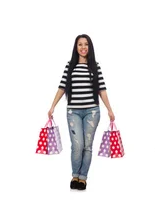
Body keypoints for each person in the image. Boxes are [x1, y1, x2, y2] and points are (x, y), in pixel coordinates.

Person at [47, 34, 116, 190]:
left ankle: (83, 178)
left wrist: (110, 110)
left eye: (86, 44)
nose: (83, 47)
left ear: (89, 47)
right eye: (80, 44)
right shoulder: (70, 66)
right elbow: (62, 87)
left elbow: (102, 90)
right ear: (76, 47)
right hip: (73, 112)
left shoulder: (95, 66)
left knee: (87, 146)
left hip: (92, 112)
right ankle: (75, 175)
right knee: (77, 145)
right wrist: (52, 106)